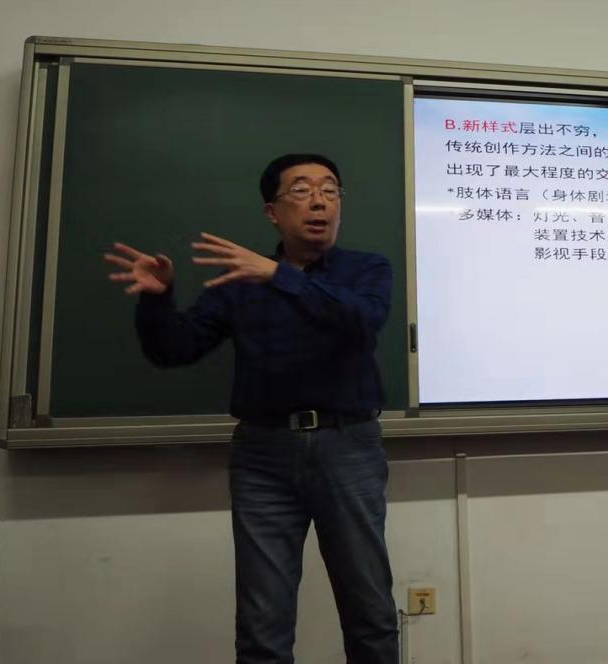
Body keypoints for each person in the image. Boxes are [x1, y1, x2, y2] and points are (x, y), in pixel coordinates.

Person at [104, 153, 397, 664]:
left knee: (369, 612)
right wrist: (158, 299)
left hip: (348, 447)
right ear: (272, 212)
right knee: (262, 625)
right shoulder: (239, 282)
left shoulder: (367, 269)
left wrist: (279, 275)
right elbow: (175, 350)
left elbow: (362, 318)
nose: (319, 201)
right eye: (301, 190)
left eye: (330, 190)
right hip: (263, 456)